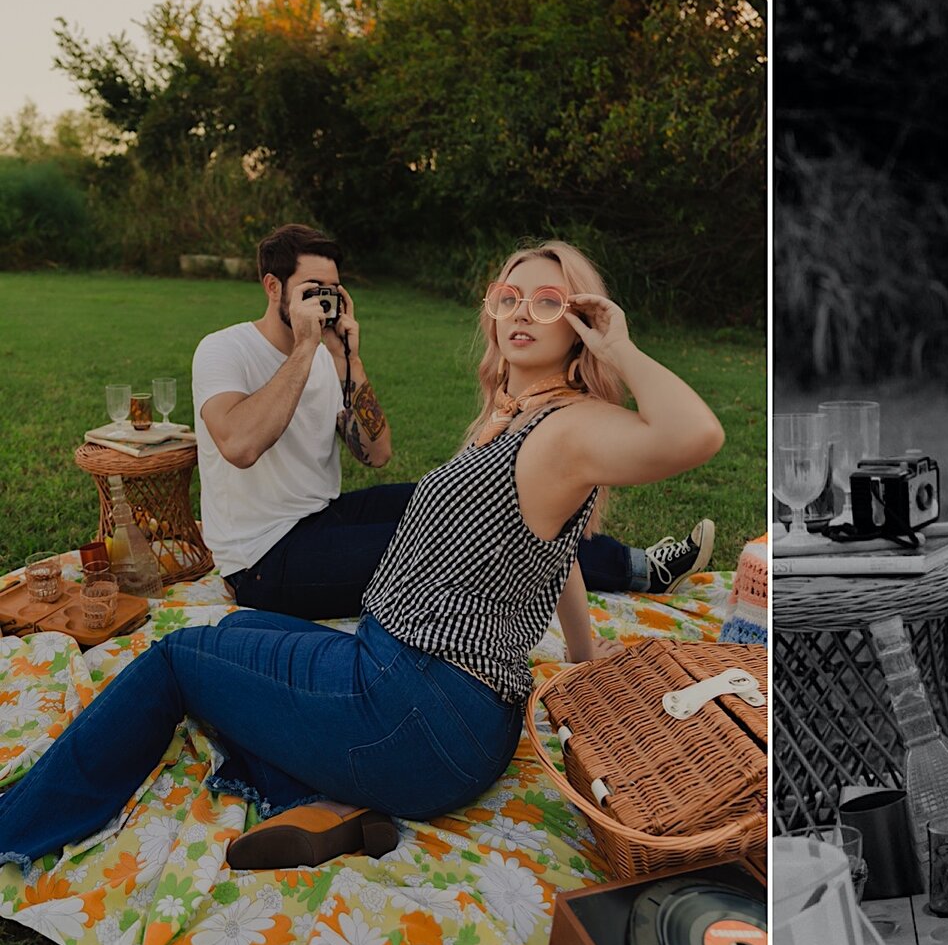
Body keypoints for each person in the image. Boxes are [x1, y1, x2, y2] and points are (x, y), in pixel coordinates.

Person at [1, 241, 727, 872]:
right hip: (452, 717)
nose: (522, 314)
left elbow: (696, 435)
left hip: (413, 705)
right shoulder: (515, 413)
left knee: (174, 661)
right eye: (509, 298)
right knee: (230, 638)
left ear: (579, 322)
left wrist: (621, 349)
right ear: (489, 310)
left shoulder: (567, 426)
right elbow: (552, 546)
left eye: (548, 302)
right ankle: (331, 804)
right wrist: (584, 651)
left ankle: (13, 830)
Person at [195, 224, 713, 620]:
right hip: (264, 559)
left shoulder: (329, 358)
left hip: (323, 515)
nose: (325, 301)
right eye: (312, 289)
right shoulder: (223, 350)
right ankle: (638, 570)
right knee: (456, 536)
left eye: (333, 289)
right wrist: (306, 348)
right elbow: (239, 445)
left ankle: (638, 566)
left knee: (465, 504)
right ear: (272, 286)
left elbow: (375, 454)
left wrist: (347, 359)